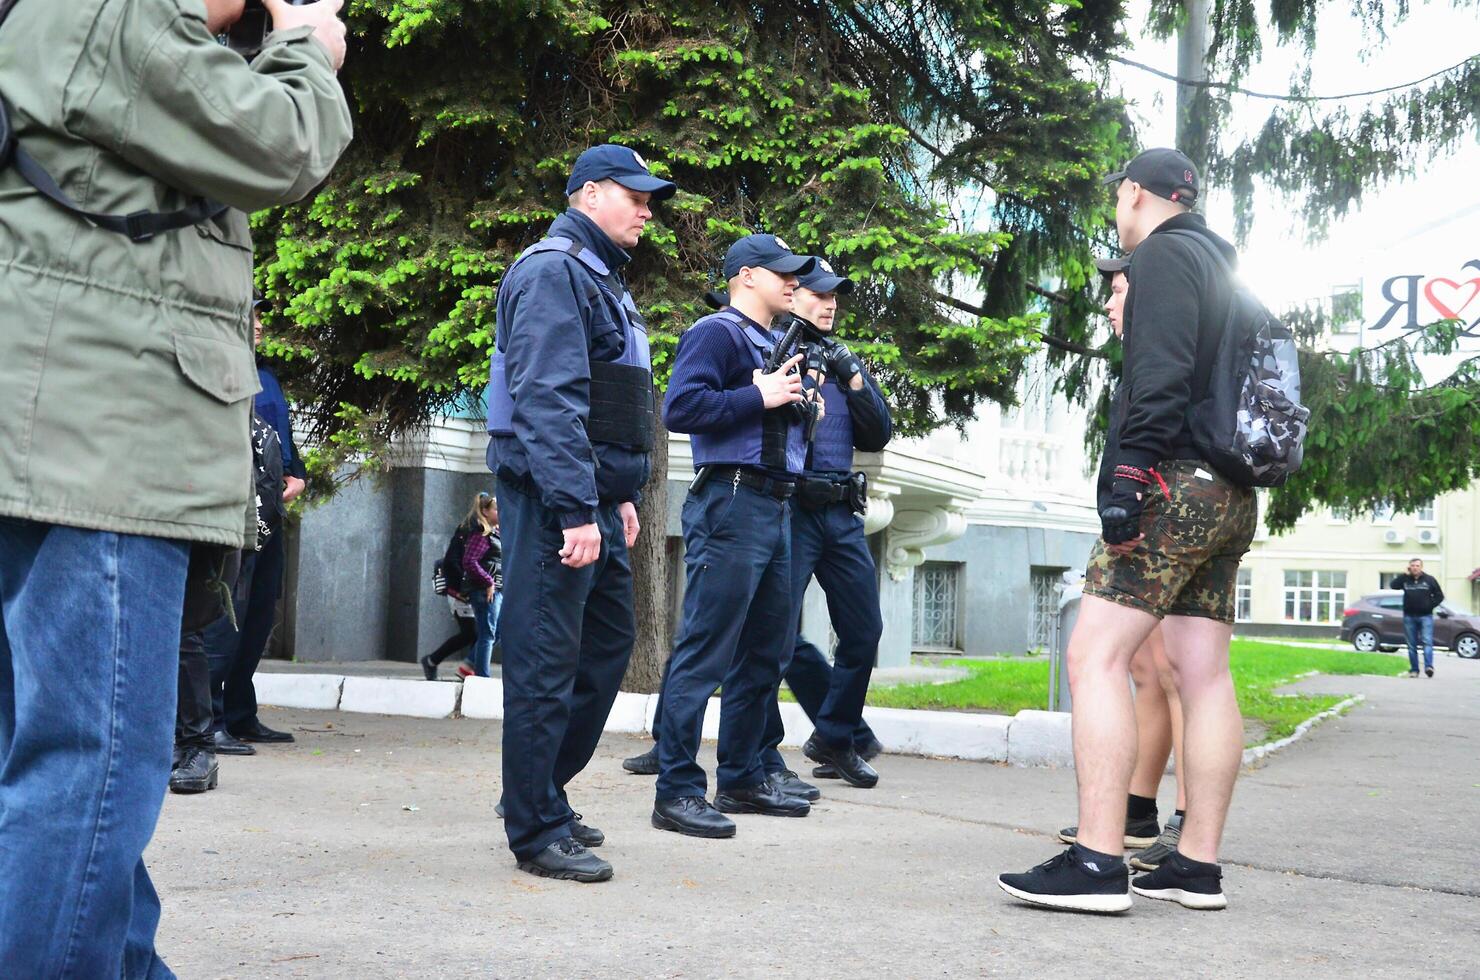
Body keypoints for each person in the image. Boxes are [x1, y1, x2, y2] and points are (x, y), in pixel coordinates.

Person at [0, 0, 351, 972]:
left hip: (65, 448)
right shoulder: (113, 11)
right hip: (96, 454)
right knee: (90, 772)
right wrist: (306, 48)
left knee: (60, 779)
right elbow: (283, 143)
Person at [999, 148, 1255, 913]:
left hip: (1172, 483)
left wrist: (1128, 475)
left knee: (1094, 655)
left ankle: (1098, 862)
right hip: (1228, 490)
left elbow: (1162, 376)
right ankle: (1195, 866)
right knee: (1202, 672)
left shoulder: (1163, 257)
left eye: (1120, 197)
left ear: (1134, 193)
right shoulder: (1219, 264)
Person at [487, 144, 673, 882]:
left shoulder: (600, 279)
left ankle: (538, 795)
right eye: (636, 195)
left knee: (604, 648)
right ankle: (534, 829)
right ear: (589, 194)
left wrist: (620, 496)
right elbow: (548, 398)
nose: (647, 209)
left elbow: (611, 405)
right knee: (544, 660)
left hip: (595, 497)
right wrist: (574, 509)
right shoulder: (552, 270)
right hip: (553, 499)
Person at [651, 234, 816, 839]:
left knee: (767, 651)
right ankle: (676, 791)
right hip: (733, 499)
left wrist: (797, 405)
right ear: (746, 276)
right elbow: (680, 407)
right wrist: (760, 394)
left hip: (775, 504)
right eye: (783, 273)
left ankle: (743, 776)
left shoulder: (775, 340)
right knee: (707, 649)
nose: (794, 281)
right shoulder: (716, 333)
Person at [1054, 258, 1188, 872]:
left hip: (1166, 510)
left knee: (1179, 670)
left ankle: (1183, 824)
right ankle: (1137, 810)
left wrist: (1128, 494)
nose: (1110, 306)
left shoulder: (1167, 347)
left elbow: (1160, 419)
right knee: (1147, 663)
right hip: (1162, 508)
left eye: (1118, 293)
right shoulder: (1149, 352)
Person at [755, 257, 893, 798]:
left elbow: (877, 431)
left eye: (835, 295)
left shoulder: (841, 361)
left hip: (839, 515)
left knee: (864, 631)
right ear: (792, 296)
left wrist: (851, 373)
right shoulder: (774, 351)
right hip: (791, 510)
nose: (829, 302)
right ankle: (762, 754)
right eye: (817, 293)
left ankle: (835, 738)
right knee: (775, 638)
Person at [204, 295, 310, 754]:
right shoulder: (221, 373)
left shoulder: (266, 376)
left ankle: (241, 714)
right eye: (252, 317)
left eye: (262, 316)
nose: (260, 325)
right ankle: (205, 720)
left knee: (259, 613)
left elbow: (281, 439)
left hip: (272, 512)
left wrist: (298, 473)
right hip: (235, 512)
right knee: (226, 616)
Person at [460, 492, 503, 679]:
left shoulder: (495, 533)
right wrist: (488, 582)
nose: (500, 512)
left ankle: (470, 664)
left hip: (497, 589)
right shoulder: (482, 533)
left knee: (497, 631)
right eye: (496, 509)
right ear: (485, 511)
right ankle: (481, 678)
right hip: (484, 591)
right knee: (488, 634)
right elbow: (469, 561)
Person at [1390, 558, 1444, 678]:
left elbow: (1440, 596)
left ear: (1421, 567)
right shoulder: (1405, 580)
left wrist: (1429, 605)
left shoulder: (1429, 580)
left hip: (1425, 616)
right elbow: (1393, 585)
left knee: (1427, 642)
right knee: (1411, 645)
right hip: (1409, 616)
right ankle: (1414, 670)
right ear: (1410, 567)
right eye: (1413, 565)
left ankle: (1429, 667)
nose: (1415, 568)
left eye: (1417, 565)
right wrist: (1404, 574)